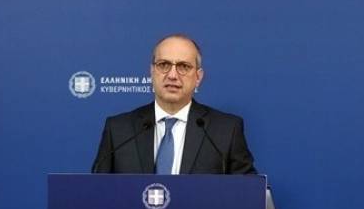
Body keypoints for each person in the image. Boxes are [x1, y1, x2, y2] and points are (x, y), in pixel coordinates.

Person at [92, 34, 257, 175]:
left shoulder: (226, 131)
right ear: (152, 72)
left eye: (183, 66)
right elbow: (96, 191)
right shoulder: (119, 130)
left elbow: (248, 192)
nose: (172, 75)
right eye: (163, 65)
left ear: (198, 77)